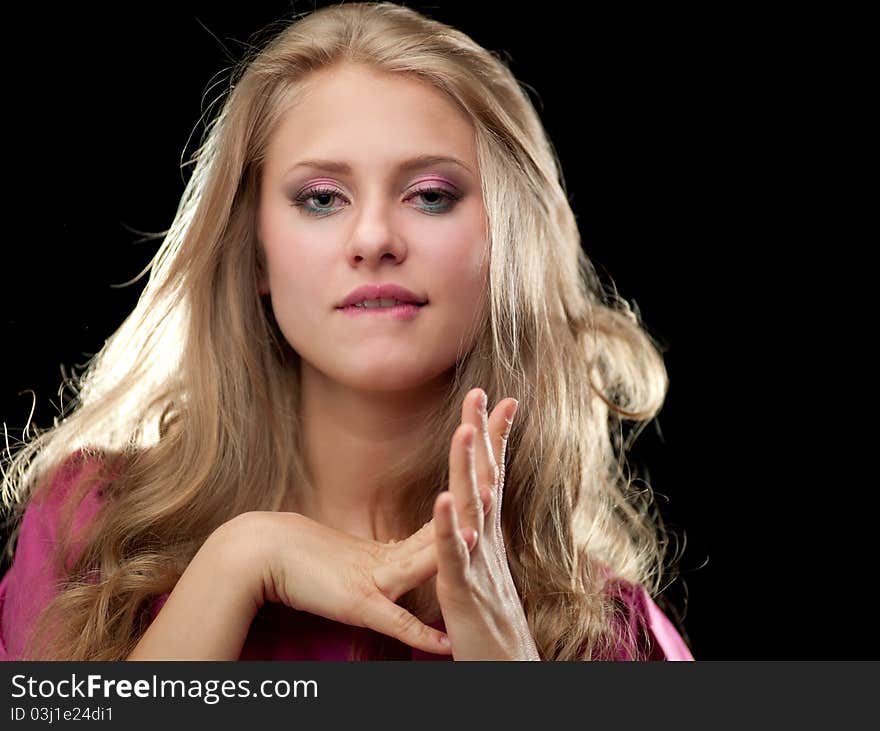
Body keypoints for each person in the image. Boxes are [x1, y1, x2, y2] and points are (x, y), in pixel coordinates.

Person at [0, 1, 693, 661]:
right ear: (255, 250)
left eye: (430, 195)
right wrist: (241, 561)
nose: (373, 239)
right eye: (322, 199)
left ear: (510, 244)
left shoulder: (612, 631)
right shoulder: (92, 526)